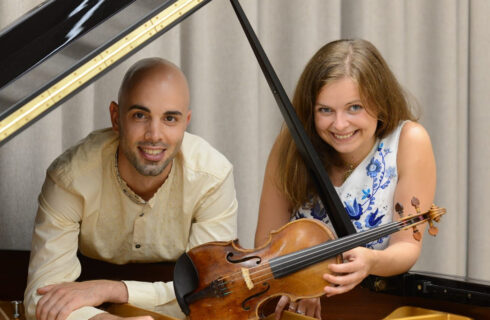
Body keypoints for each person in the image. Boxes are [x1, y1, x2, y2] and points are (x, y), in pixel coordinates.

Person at [24, 58, 238, 320]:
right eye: (140, 115)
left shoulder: (213, 176)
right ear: (116, 117)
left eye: (170, 118)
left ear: (186, 122)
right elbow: (42, 296)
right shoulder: (70, 177)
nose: (154, 135)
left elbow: (210, 293)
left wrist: (112, 290)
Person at [255, 39, 436, 319]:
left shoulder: (409, 141)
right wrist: (302, 285)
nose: (340, 125)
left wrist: (371, 260)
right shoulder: (289, 145)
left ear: (380, 102)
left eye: (354, 107)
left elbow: (407, 245)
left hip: (373, 307)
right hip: (296, 310)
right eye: (325, 110)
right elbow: (265, 250)